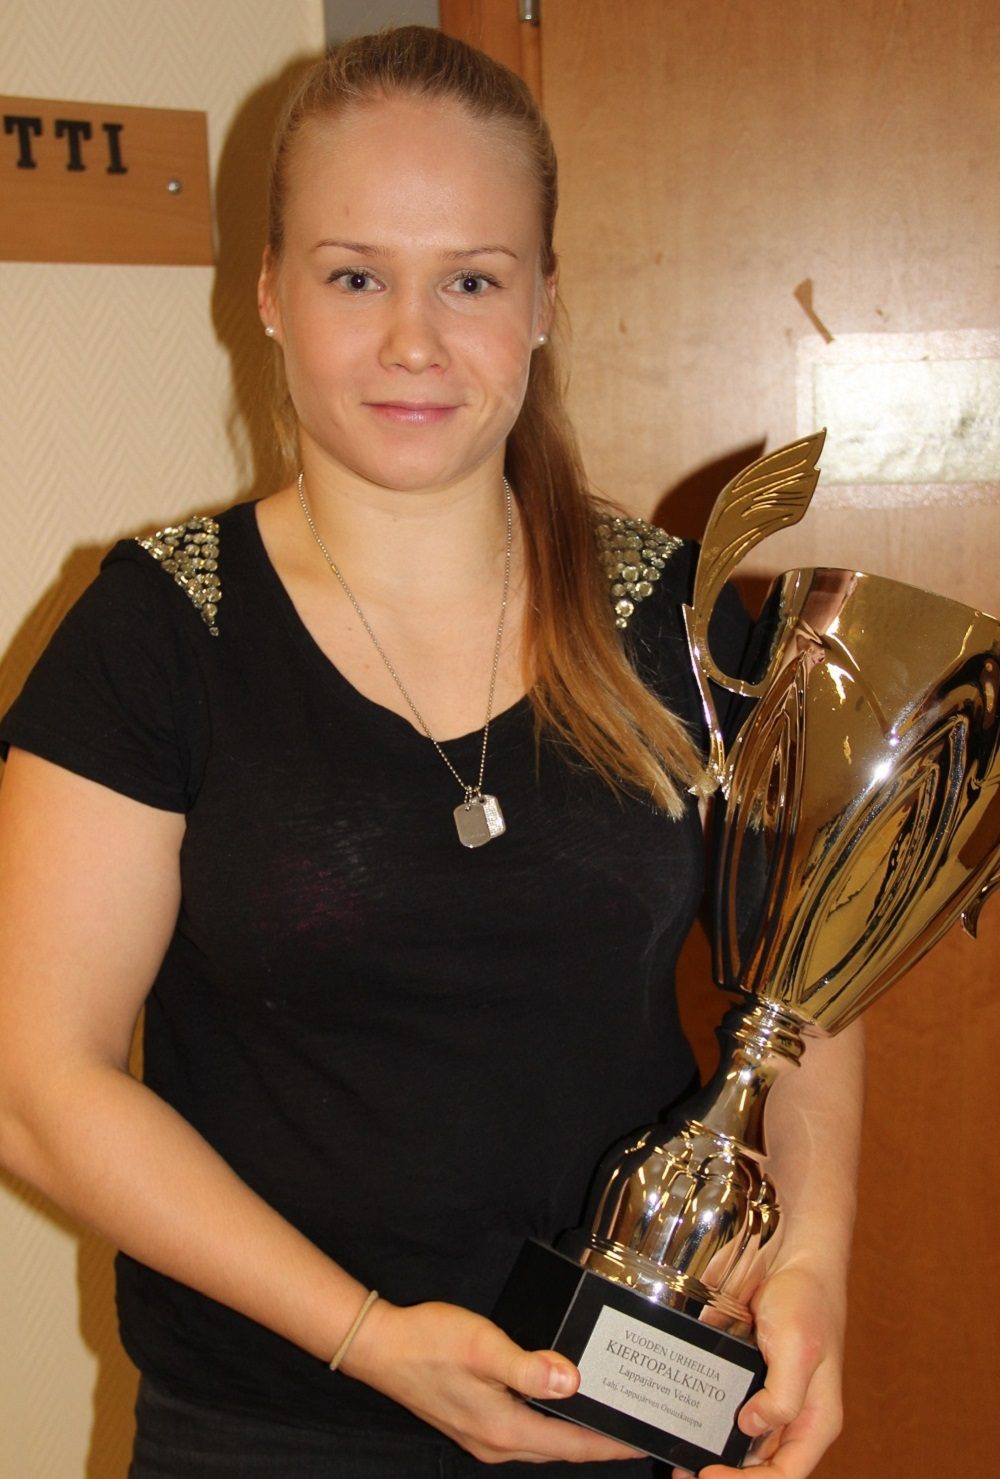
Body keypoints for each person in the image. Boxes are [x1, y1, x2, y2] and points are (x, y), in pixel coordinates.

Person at [0, 26, 862, 1479]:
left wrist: (815, 1262)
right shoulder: (155, 632)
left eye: (471, 280)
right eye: (356, 276)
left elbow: (810, 989)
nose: (415, 340)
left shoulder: (684, 622)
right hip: (269, 1430)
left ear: (543, 303)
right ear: (268, 294)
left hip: (625, 1417)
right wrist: (369, 1337)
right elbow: (39, 1082)